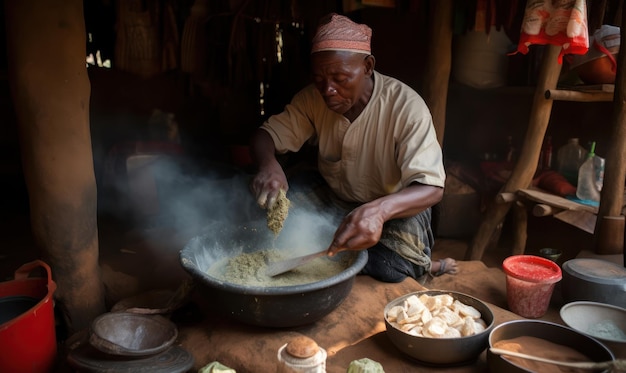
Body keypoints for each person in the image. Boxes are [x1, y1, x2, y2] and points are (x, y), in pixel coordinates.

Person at [250, 13, 458, 283]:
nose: (328, 90)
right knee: (272, 213)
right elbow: (263, 136)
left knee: (391, 265)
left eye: (340, 78)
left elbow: (432, 188)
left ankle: (427, 263)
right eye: (319, 79)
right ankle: (339, 248)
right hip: (335, 199)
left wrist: (379, 210)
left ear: (368, 67)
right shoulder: (312, 100)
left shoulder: (405, 106)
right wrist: (269, 165)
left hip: (393, 207)